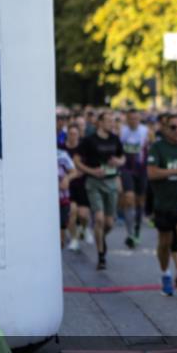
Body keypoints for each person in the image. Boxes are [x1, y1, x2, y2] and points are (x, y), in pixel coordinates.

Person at [148, 112, 177, 296]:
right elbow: (151, 173)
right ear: (165, 128)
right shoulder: (158, 148)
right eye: (173, 127)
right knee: (165, 242)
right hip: (163, 202)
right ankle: (165, 274)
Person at [73, 111, 125, 270]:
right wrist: (91, 171)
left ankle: (100, 238)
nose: (111, 124)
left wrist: (118, 161)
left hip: (110, 183)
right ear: (100, 123)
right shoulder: (89, 140)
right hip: (94, 183)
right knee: (99, 219)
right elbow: (76, 160)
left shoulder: (115, 139)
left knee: (109, 223)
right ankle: (101, 255)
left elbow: (122, 158)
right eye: (108, 121)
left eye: (113, 121)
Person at [120, 108, 151, 249]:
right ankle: (130, 233)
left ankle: (137, 231)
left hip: (142, 169)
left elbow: (152, 148)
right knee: (129, 198)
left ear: (139, 119)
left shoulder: (146, 131)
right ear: (127, 119)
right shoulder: (122, 131)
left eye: (135, 118)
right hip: (127, 169)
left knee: (140, 202)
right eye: (130, 118)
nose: (133, 121)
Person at [63, 124, 92, 251]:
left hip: (82, 185)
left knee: (84, 215)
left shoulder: (83, 149)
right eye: (71, 133)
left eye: (75, 134)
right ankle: (74, 239)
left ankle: (84, 229)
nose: (73, 136)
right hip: (68, 186)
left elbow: (90, 164)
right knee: (72, 212)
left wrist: (83, 171)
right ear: (67, 134)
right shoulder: (62, 149)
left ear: (79, 135)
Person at [57, 143, 79, 248]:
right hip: (43, 199)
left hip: (61, 198)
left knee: (61, 228)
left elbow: (74, 172)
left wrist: (66, 179)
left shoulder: (61, 154)